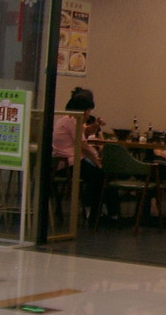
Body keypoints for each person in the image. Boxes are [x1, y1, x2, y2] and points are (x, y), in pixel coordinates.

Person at [51, 87, 119, 226]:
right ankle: (98, 216)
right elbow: (84, 145)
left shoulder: (67, 119)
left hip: (65, 162)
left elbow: (85, 133)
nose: (89, 114)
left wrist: (96, 125)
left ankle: (105, 214)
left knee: (101, 176)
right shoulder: (72, 121)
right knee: (101, 177)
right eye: (88, 111)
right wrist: (97, 160)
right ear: (82, 110)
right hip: (68, 164)